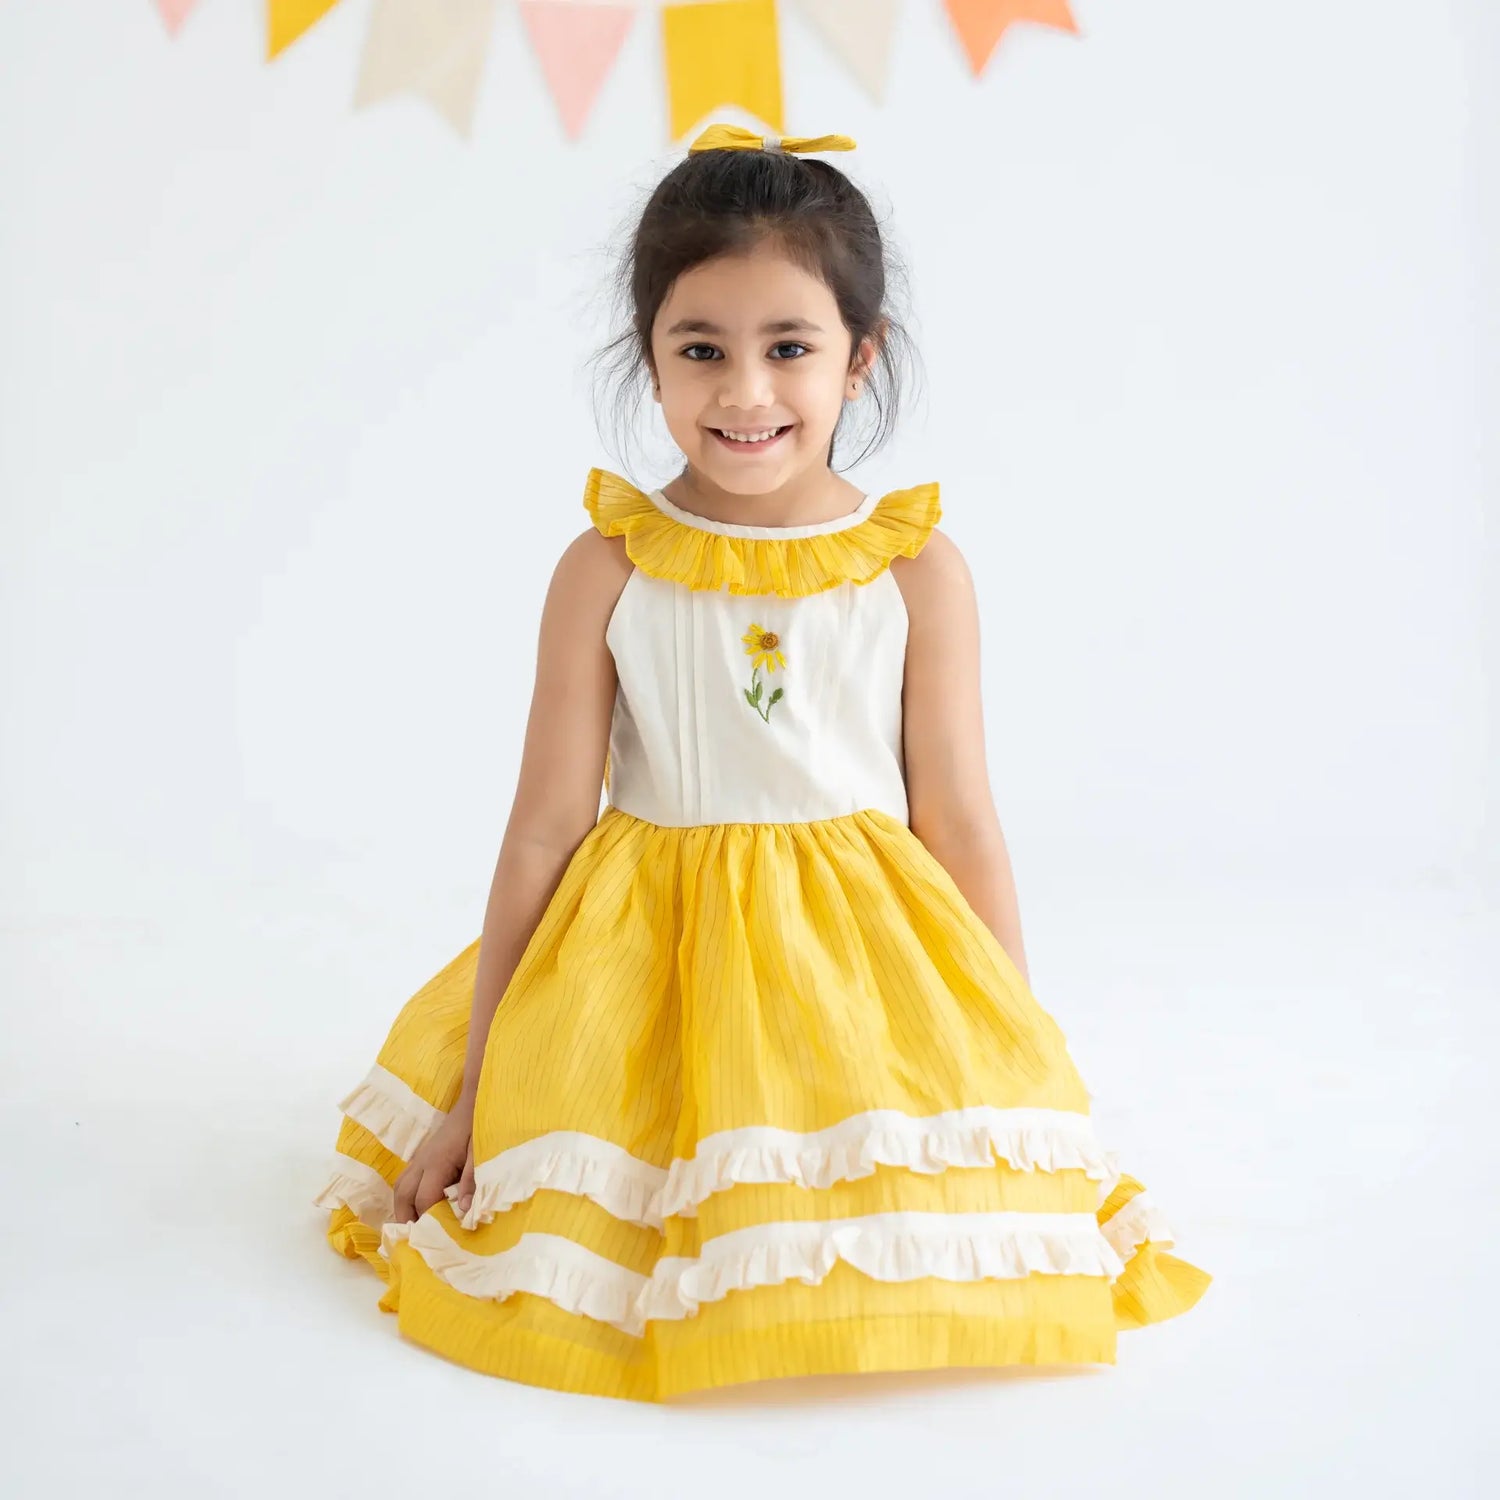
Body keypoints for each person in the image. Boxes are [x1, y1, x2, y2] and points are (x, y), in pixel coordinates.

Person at [313, 123, 1212, 1403]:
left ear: (861, 356)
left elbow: (959, 820)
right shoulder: (607, 567)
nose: (744, 394)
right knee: (620, 1200)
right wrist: (480, 1089)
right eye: (702, 350)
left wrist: (1023, 1053)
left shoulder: (917, 571)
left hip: (864, 967)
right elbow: (544, 827)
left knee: (884, 1184)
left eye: (789, 348)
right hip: (644, 961)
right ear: (650, 358)